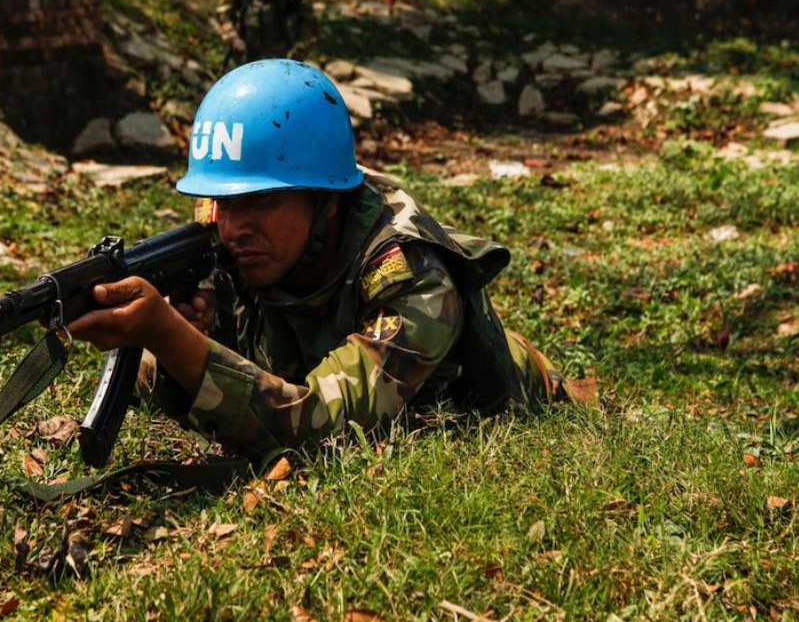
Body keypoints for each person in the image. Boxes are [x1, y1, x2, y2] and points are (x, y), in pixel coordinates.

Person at [68, 59, 596, 462]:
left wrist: (169, 338)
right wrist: (192, 329)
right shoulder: (232, 239)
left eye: (261, 201)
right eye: (223, 202)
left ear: (328, 200)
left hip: (510, 403)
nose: (233, 228)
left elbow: (320, 429)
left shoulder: (414, 280)